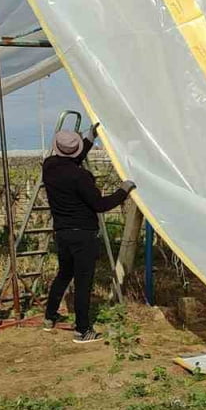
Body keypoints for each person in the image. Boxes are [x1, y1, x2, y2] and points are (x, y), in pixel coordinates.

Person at [42, 123, 135, 343]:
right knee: (84, 281)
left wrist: (90, 137)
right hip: (83, 234)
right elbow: (100, 205)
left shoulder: (49, 165)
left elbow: (70, 157)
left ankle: (49, 317)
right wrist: (124, 191)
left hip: (62, 233)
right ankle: (82, 330)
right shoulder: (81, 176)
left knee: (64, 274)